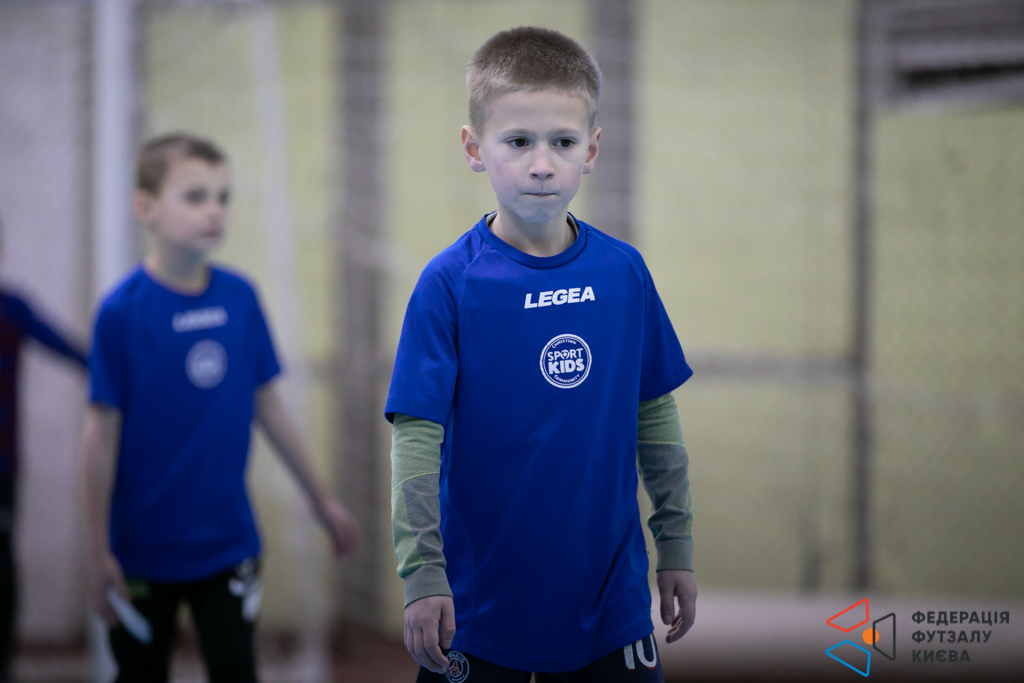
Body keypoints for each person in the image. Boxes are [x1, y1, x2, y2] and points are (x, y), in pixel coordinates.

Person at [386, 27, 696, 683]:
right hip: (476, 610)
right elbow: (416, 437)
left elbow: (654, 413)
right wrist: (422, 572)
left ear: (592, 149)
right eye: (518, 141)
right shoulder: (449, 284)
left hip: (611, 606)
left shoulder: (624, 273)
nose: (542, 164)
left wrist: (676, 542)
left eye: (563, 142)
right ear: (474, 148)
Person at [82, 133, 360, 683]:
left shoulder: (240, 298)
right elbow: (99, 437)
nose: (214, 210)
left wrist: (321, 499)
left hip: (228, 545)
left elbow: (270, 408)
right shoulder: (120, 313)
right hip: (140, 551)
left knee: (236, 670)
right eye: (195, 196)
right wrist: (97, 550)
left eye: (222, 197)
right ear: (146, 207)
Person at [0, 218, 88, 683]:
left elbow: (67, 348)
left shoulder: (11, 309)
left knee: (0, 564)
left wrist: (118, 368)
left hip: (1, 470)